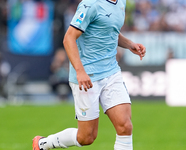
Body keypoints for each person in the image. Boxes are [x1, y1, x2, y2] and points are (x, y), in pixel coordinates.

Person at [32, 0, 146, 150]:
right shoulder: (90, 4)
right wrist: (80, 71)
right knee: (86, 137)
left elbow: (109, 29)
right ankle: (43, 144)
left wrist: (129, 44)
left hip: (111, 72)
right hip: (87, 75)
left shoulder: (121, 2)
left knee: (125, 126)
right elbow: (69, 38)